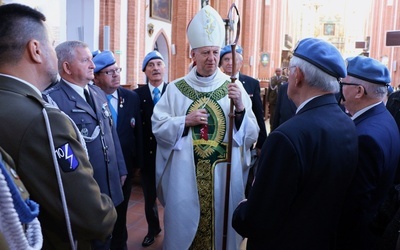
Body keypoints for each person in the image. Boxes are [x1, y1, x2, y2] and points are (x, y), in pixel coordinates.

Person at [0, 3, 116, 249]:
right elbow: (93, 217)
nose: (55, 52)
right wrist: (109, 212)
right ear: (36, 50)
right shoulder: (44, 120)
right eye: (51, 44)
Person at [232, 37, 359, 249]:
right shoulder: (347, 123)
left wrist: (241, 211)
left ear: (297, 76)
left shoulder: (286, 137)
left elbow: (257, 219)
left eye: (289, 70)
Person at [151, 5, 259, 250]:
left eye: (215, 52)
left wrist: (241, 108)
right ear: (193, 54)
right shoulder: (176, 89)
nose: (211, 58)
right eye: (205, 53)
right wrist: (184, 121)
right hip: (185, 174)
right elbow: (158, 126)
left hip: (222, 175)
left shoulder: (234, 87)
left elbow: (252, 133)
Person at [43, 40, 127, 249]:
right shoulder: (53, 101)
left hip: (111, 183)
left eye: (91, 59)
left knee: (116, 237)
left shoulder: (98, 93)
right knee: (95, 242)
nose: (93, 65)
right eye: (85, 60)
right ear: (67, 67)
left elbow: (111, 134)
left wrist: (121, 168)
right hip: (87, 189)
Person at [336, 56, 400, 249]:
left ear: (358, 91)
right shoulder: (383, 117)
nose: (339, 90)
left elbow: (355, 205)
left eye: (343, 84)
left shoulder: (366, 137)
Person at [92, 50, 143, 250]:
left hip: (126, 168)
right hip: (100, 169)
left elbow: (138, 130)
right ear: (96, 78)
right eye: (108, 72)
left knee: (121, 213)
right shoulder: (91, 98)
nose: (115, 75)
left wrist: (138, 163)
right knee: (103, 213)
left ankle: (120, 245)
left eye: (117, 70)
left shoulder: (130, 97)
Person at [219, 44, 267, 196]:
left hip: (245, 136)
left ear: (240, 63)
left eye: (233, 59)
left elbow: (258, 114)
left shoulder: (251, 83)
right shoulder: (215, 83)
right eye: (226, 59)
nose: (230, 63)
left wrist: (261, 143)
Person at [134, 50, 166, 247]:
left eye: (159, 64)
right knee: (149, 198)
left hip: (170, 155)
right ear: (145, 70)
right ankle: (153, 229)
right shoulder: (136, 95)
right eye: (151, 65)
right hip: (148, 156)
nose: (155, 68)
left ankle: (175, 229)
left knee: (173, 196)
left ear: (164, 68)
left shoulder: (174, 91)